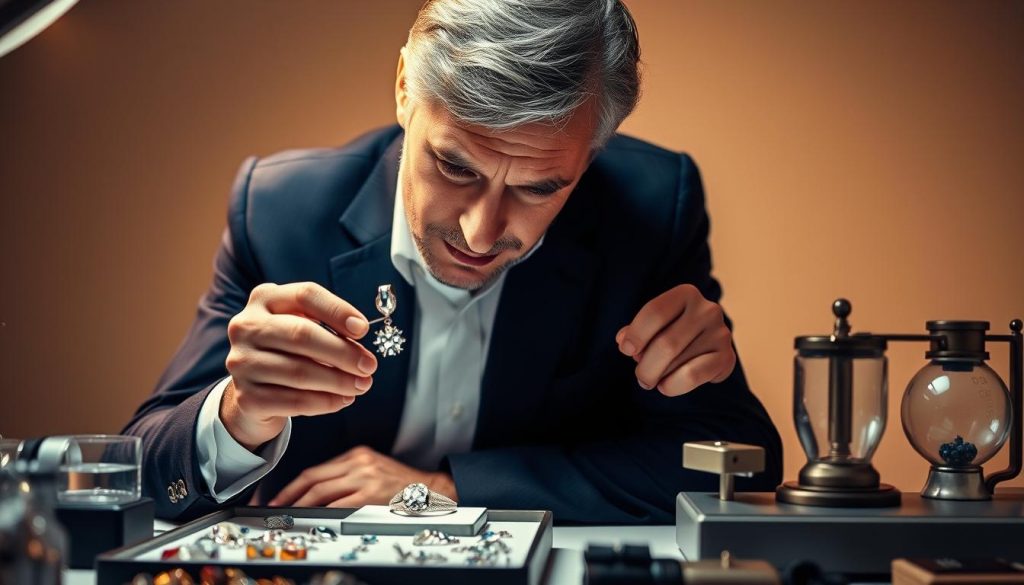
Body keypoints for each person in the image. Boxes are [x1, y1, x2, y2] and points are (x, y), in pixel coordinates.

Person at [124, 0, 782, 524]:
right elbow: (139, 473)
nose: (480, 231)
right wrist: (237, 415)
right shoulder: (279, 212)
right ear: (403, 89)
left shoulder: (650, 212)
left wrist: (448, 489)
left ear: (593, 152)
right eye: (455, 166)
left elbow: (741, 463)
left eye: (539, 188)